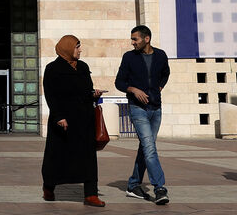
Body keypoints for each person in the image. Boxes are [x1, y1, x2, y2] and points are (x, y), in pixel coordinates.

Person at [41, 35, 106, 207]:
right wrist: (59, 116)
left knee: (88, 157)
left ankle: (90, 194)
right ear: (67, 48)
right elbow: (51, 95)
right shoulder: (53, 69)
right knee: (57, 156)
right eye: (77, 47)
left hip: (84, 120)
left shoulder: (83, 67)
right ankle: (49, 186)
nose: (80, 50)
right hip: (63, 121)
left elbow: (86, 90)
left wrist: (94, 94)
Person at [114, 25, 171, 205]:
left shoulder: (161, 55)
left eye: (135, 39)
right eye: (132, 39)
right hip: (137, 108)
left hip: (156, 109)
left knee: (146, 148)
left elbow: (165, 73)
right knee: (149, 147)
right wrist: (133, 89)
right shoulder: (129, 57)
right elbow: (119, 82)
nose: (132, 43)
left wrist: (158, 88)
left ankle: (133, 185)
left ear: (147, 39)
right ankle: (160, 188)